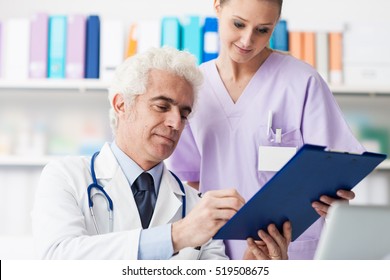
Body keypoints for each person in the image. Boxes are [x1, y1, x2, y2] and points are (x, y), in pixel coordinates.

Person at [31, 46, 291, 260]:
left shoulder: (197, 204)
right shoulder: (65, 177)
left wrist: (253, 268)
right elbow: (57, 257)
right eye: (162, 106)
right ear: (122, 105)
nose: (176, 123)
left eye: (184, 113)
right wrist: (177, 235)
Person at [167, 0, 366, 260]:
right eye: (238, 24)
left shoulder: (301, 82)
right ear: (217, 6)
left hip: (288, 251)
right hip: (213, 253)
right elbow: (189, 180)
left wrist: (337, 202)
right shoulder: (194, 87)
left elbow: (333, 171)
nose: (247, 40)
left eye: (263, 30)